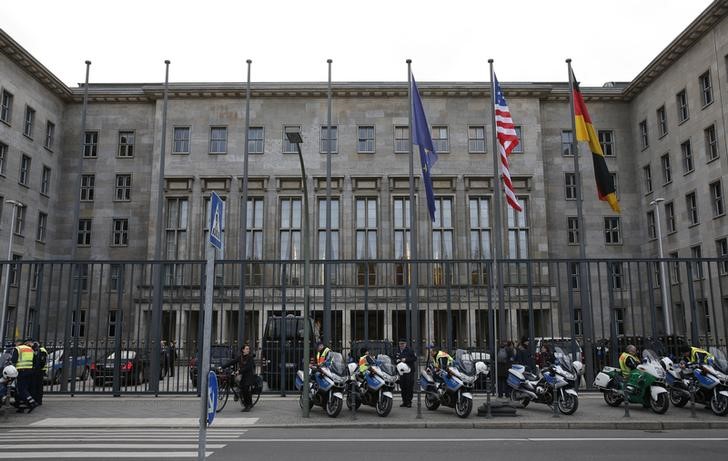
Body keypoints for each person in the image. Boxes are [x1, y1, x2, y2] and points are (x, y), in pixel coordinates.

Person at [222, 344, 256, 411]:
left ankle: (248, 405)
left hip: (249, 375)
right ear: (243, 350)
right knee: (238, 384)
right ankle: (238, 393)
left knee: (245, 389)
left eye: (248, 349)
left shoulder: (250, 358)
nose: (248, 350)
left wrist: (239, 371)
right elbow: (232, 362)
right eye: (246, 349)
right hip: (242, 375)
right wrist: (222, 367)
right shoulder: (240, 357)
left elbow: (248, 367)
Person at [11, 338, 38, 413]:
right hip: (29, 371)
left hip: (21, 371)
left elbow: (13, 360)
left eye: (15, 343)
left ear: (18, 343)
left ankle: (32, 402)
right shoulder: (30, 349)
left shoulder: (18, 349)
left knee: (21, 389)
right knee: (25, 388)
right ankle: (21, 406)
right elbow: (35, 361)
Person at [395, 339, 416, 407]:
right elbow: (394, 358)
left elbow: (414, 358)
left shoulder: (410, 350)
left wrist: (406, 360)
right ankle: (404, 401)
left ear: (405, 344)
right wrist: (396, 360)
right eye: (400, 344)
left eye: (402, 344)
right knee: (403, 387)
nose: (401, 345)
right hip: (401, 372)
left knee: (409, 387)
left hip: (409, 371)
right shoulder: (397, 351)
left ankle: (409, 402)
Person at [30, 341, 48, 405]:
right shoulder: (40, 349)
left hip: (40, 370)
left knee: (38, 386)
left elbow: (42, 361)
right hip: (39, 370)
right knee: (37, 385)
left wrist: (38, 368)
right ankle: (37, 400)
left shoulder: (42, 350)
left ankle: (38, 400)